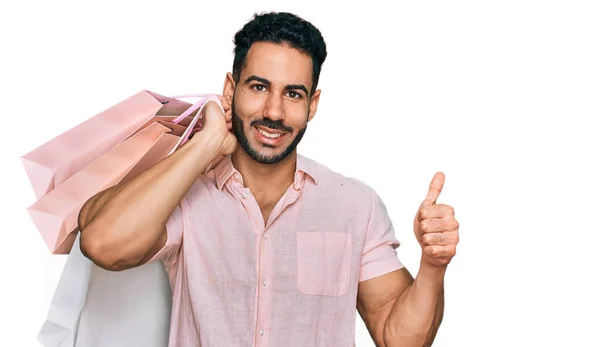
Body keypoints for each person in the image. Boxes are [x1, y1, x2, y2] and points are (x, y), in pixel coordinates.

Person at [77, 11, 460, 347]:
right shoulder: (187, 195)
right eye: (259, 87)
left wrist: (432, 265)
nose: (274, 111)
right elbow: (102, 246)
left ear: (312, 105)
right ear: (230, 90)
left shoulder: (354, 205)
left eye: (293, 94)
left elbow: (399, 338)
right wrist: (206, 142)